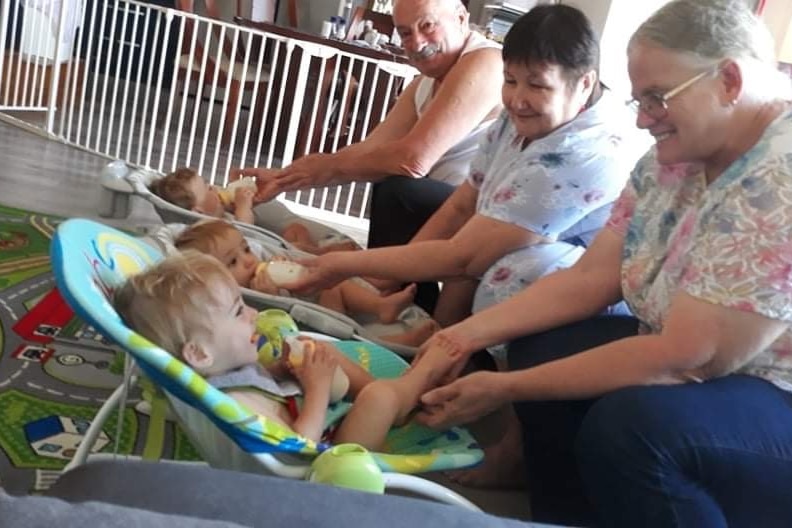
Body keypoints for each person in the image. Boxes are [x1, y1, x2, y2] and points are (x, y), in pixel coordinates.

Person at [409, 0, 792, 525]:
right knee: (542, 342)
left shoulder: (780, 175)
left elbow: (689, 359)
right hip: (691, 354)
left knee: (635, 427)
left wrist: (504, 387)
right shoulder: (669, 160)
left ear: (728, 80)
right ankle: (562, 512)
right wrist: (463, 336)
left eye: (657, 98)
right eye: (638, 100)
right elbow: (592, 277)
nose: (641, 118)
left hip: (774, 392)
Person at [285, 5, 640, 332]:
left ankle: (465, 351)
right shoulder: (512, 114)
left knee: (500, 267)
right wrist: (382, 279)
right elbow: (464, 207)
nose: (517, 99)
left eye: (537, 85)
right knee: (408, 197)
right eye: (511, 80)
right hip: (497, 231)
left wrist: (346, 267)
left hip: (569, 284)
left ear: (584, 84)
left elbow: (465, 256)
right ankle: (420, 319)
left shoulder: (585, 152)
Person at [233, 0, 504, 311]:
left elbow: (413, 159)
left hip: (479, 213)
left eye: (427, 26)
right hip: (446, 205)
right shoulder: (427, 79)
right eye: (405, 33)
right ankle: (394, 300)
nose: (416, 42)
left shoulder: (484, 62)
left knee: (399, 189)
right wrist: (283, 178)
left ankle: (387, 295)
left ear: (461, 17)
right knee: (390, 181)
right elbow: (370, 151)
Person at [113, 251, 452, 450]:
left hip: (312, 415)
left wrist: (279, 372)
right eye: (237, 312)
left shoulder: (219, 371)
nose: (254, 314)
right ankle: (416, 382)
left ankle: (389, 397)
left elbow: (259, 385)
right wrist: (317, 389)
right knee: (379, 397)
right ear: (200, 354)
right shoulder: (235, 403)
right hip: (328, 453)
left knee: (313, 348)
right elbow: (295, 447)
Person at [174, 219, 439, 347]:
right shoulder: (235, 297)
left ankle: (380, 306)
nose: (247, 260)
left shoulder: (256, 268)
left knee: (334, 285)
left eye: (245, 249)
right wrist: (273, 297)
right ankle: (399, 342)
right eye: (232, 262)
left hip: (319, 307)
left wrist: (289, 271)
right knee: (343, 337)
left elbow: (306, 287)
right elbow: (274, 327)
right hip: (313, 331)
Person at [150, 167, 357, 255]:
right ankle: (320, 254)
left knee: (296, 228)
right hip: (270, 254)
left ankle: (313, 250)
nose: (213, 187)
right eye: (207, 188)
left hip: (276, 243)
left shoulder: (219, 213)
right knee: (298, 245)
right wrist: (242, 206)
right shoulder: (213, 229)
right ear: (199, 211)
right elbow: (244, 231)